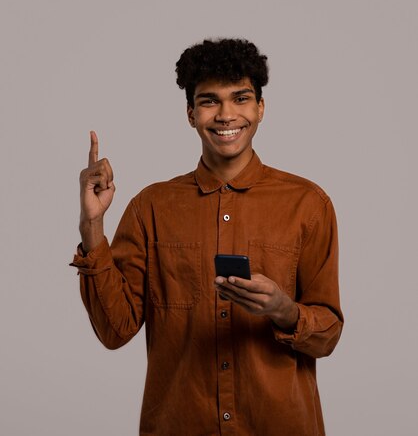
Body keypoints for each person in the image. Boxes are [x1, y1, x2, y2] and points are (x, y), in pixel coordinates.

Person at [71, 37, 343, 436]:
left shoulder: (308, 204)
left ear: (261, 108)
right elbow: (116, 330)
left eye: (241, 98)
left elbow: (328, 335)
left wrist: (284, 310)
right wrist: (91, 227)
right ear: (190, 113)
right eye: (210, 101)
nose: (226, 114)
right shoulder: (152, 207)